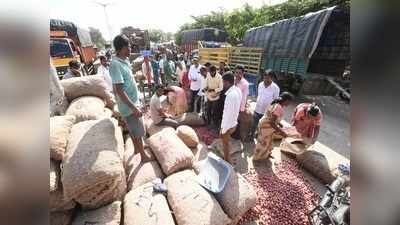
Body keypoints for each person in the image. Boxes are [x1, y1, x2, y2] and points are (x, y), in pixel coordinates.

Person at [109, 34, 149, 162]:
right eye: (129, 46)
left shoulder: (125, 61)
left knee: (133, 129)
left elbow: (126, 81)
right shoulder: (115, 64)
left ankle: (137, 150)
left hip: (133, 102)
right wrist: (134, 108)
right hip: (128, 106)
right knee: (137, 131)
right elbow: (119, 90)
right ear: (122, 47)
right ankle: (143, 156)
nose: (131, 48)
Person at [253, 92, 294, 161]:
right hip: (266, 127)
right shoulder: (278, 107)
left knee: (269, 141)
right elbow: (272, 123)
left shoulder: (276, 104)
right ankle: (258, 158)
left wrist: (280, 124)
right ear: (286, 100)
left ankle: (266, 154)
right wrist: (281, 132)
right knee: (263, 143)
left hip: (264, 124)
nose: (289, 104)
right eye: (289, 102)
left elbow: (272, 117)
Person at [249, 70, 280, 139]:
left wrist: (272, 112)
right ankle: (251, 136)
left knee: (263, 126)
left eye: (268, 78)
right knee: (254, 124)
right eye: (264, 77)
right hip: (258, 109)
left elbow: (276, 101)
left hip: (267, 112)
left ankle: (259, 137)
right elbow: (258, 94)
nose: (265, 79)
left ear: (272, 78)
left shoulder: (275, 88)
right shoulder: (260, 84)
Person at [220, 72, 242, 164]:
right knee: (226, 142)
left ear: (227, 82)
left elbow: (227, 114)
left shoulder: (230, 95)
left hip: (228, 124)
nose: (223, 84)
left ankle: (227, 161)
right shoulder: (237, 90)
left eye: (223, 82)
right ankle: (228, 157)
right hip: (233, 123)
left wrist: (223, 129)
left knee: (225, 143)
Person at [234, 64, 249, 141]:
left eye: (239, 73)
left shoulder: (245, 84)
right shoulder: (233, 80)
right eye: (236, 72)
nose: (237, 75)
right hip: (232, 104)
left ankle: (236, 136)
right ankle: (232, 133)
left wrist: (242, 109)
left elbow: (244, 97)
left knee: (237, 121)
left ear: (243, 73)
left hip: (239, 106)